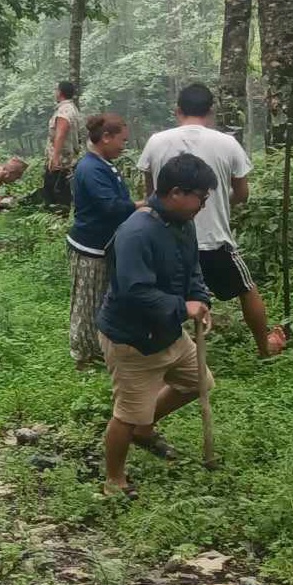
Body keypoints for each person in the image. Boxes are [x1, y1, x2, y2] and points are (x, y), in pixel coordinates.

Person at [98, 152, 217, 498]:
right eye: (201, 197)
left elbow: (192, 269)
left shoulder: (184, 222)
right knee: (126, 413)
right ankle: (114, 480)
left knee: (199, 382)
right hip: (133, 339)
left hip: (168, 331)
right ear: (177, 192)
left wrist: (200, 300)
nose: (203, 204)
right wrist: (183, 306)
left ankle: (144, 428)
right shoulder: (135, 232)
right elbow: (136, 292)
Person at [137, 83, 285, 358]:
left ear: (177, 110)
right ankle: (265, 348)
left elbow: (151, 194)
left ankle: (159, 353)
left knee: (161, 293)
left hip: (166, 236)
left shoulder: (156, 141)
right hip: (214, 238)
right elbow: (242, 193)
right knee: (246, 288)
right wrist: (213, 203)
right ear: (211, 111)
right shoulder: (227, 143)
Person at [67, 113, 139, 369]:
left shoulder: (103, 164)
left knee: (102, 298)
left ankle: (99, 348)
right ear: (105, 138)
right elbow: (110, 207)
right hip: (90, 248)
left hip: (105, 245)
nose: (123, 146)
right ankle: (82, 355)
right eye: (122, 140)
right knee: (87, 302)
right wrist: (141, 206)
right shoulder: (89, 167)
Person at [44, 80, 83, 209]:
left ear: (60, 92)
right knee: (63, 192)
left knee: (55, 195)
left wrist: (55, 158)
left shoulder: (64, 111)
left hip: (60, 163)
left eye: (56, 90)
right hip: (68, 160)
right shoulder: (72, 108)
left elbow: (60, 133)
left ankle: (56, 223)